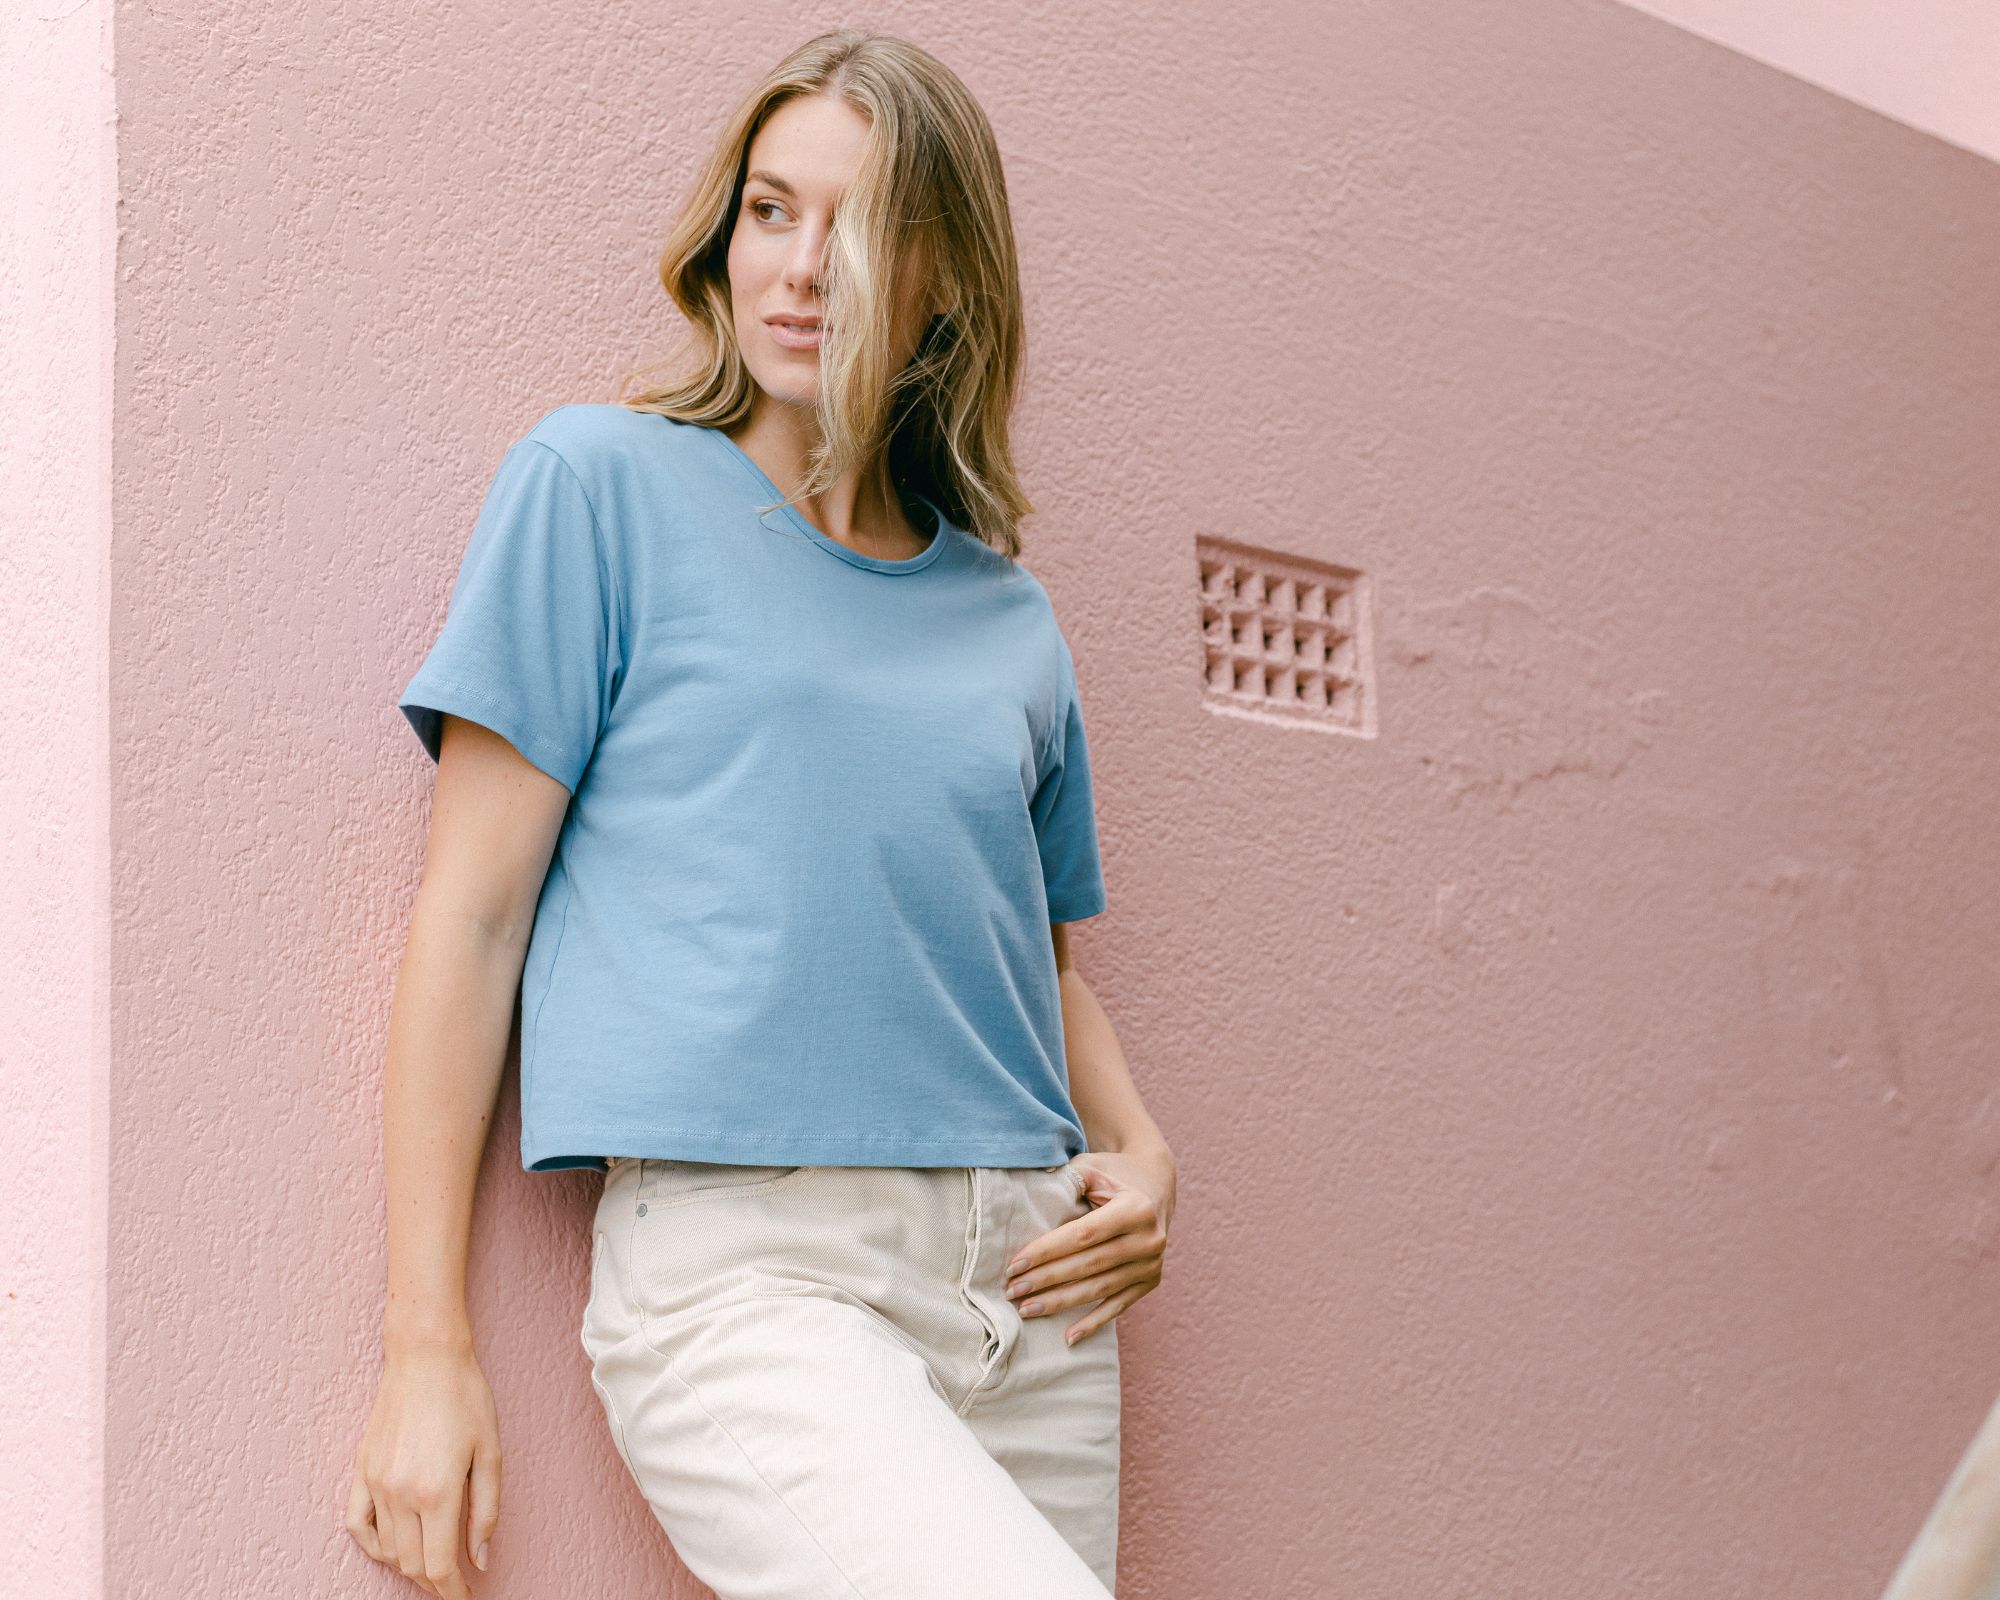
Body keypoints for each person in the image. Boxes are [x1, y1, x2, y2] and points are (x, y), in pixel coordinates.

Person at [343, 27, 1177, 1600]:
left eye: (856, 227)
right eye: (769, 211)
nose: (797, 268)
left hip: (1040, 1289)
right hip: (756, 1277)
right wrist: (424, 1348)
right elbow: (470, 920)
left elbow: (1037, 960)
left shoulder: (1009, 613)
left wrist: (1141, 1152)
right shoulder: (598, 489)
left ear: (947, 283)